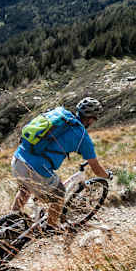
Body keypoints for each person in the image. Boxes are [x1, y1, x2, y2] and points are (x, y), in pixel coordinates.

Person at [10, 97, 111, 232]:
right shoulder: (82, 136)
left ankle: (11, 218)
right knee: (59, 194)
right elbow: (96, 169)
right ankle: (51, 226)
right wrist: (107, 176)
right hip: (37, 169)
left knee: (25, 189)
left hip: (18, 158)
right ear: (91, 119)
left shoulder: (59, 113)